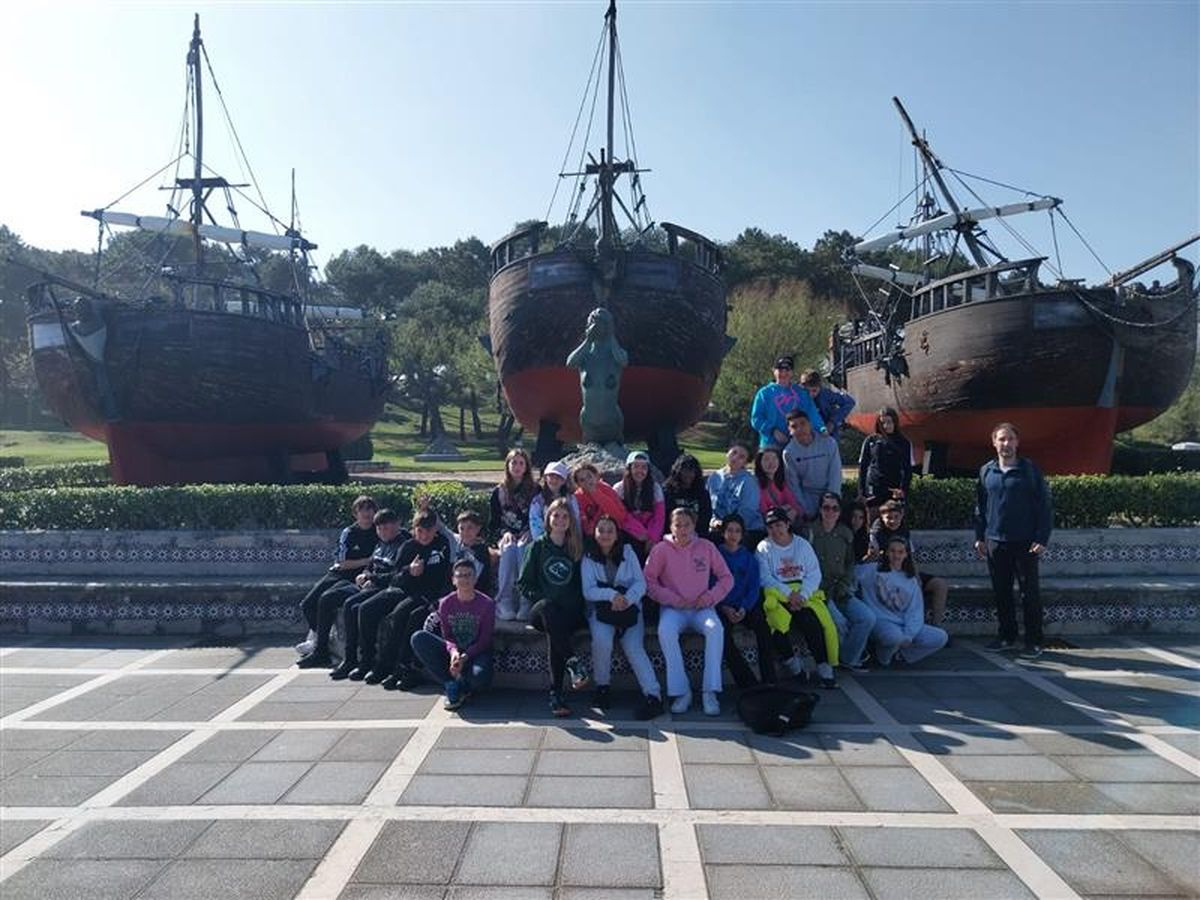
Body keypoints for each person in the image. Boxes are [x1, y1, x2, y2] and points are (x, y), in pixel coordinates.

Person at [644, 507, 734, 716]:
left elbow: (726, 578)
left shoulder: (707, 547)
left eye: (687, 524)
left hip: (702, 608)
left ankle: (709, 692)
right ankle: (681, 692)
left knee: (715, 629)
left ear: (694, 526)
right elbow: (648, 581)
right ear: (671, 527)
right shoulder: (660, 549)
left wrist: (709, 598)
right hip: (673, 609)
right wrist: (672, 599)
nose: (682, 529)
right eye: (678, 524)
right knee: (665, 631)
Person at [974, 422, 1053, 659]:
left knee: (1030, 593)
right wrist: (979, 536)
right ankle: (1006, 636)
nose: (1006, 444)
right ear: (994, 442)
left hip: (1026, 542)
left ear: (1017, 442)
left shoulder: (1029, 470)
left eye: (1010, 439)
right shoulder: (986, 471)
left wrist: (1042, 537)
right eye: (1001, 439)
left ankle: (1034, 640)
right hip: (996, 542)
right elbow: (980, 507)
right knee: (1002, 592)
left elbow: (1044, 506)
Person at [349, 509, 451, 687]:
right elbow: (395, 577)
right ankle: (368, 662)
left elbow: (444, 576)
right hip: (404, 589)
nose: (424, 535)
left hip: (428, 594)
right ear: (414, 530)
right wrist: (409, 571)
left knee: (403, 615)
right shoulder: (409, 546)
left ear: (435, 530)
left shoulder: (441, 544)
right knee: (366, 609)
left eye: (428, 531)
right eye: (420, 531)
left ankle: (403, 668)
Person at [580, 514, 663, 719]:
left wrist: (627, 598)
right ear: (595, 533)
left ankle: (653, 695)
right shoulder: (588, 556)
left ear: (617, 534)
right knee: (602, 641)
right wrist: (611, 595)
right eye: (602, 530)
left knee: (633, 647)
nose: (606, 535)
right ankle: (603, 687)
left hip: (629, 607)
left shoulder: (628, 552)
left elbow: (640, 583)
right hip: (602, 609)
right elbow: (588, 590)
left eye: (610, 531)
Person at [519, 497, 588, 717]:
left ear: (570, 521)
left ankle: (556, 695)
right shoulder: (538, 546)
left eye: (565, 516)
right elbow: (523, 583)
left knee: (556, 630)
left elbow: (581, 584)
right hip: (542, 609)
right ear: (548, 518)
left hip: (570, 612)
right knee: (550, 611)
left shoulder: (576, 547)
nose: (560, 519)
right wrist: (542, 597)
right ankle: (573, 663)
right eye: (555, 515)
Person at [756, 507, 839, 688]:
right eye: (770, 527)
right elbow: (765, 577)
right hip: (778, 595)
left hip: (803, 594)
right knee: (777, 627)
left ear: (787, 524)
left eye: (779, 525)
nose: (775, 530)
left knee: (813, 623)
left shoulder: (802, 545)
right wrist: (788, 595)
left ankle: (824, 668)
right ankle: (796, 669)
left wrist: (802, 595)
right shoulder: (763, 548)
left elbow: (814, 573)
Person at [321, 509, 410, 677]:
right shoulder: (380, 544)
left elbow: (397, 574)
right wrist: (364, 574)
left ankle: (367, 661)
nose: (382, 532)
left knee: (361, 608)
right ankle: (349, 658)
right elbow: (372, 563)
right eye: (379, 528)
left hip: (387, 587)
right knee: (340, 601)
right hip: (369, 584)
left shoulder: (403, 545)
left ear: (397, 525)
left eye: (386, 528)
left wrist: (373, 578)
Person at [296, 495, 378, 658]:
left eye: (369, 509)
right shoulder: (349, 532)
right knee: (307, 604)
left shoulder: (379, 530)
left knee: (326, 600)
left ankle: (320, 646)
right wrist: (365, 560)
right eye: (362, 510)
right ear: (355, 514)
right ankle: (317, 637)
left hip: (357, 578)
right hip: (339, 574)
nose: (366, 513)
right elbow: (342, 563)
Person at [410, 559, 495, 711]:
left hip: (476, 652)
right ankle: (450, 683)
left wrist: (465, 657)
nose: (464, 579)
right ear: (453, 580)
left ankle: (462, 684)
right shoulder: (446, 603)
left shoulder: (487, 604)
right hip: (454, 650)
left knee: (479, 678)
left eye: (468, 575)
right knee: (418, 638)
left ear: (475, 579)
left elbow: (485, 639)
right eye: (460, 575)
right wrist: (454, 653)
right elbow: (447, 635)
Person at [805, 493, 875, 673]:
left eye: (834, 508)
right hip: (819, 592)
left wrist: (844, 585)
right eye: (826, 507)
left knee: (867, 618)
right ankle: (842, 659)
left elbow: (850, 563)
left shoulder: (845, 533)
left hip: (840, 589)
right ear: (820, 510)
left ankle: (847, 658)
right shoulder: (809, 532)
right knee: (840, 622)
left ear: (839, 511)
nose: (830, 512)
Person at [865, 537, 948, 666]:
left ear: (906, 554)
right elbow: (852, 573)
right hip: (882, 622)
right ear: (886, 553)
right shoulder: (871, 570)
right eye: (892, 551)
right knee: (895, 637)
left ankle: (900, 656)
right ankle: (883, 658)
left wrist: (909, 634)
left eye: (900, 552)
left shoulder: (911, 579)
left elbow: (915, 611)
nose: (896, 555)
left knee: (940, 637)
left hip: (903, 624)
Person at [715, 514, 776, 688]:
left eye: (737, 531)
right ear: (723, 532)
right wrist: (723, 606)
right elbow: (711, 584)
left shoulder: (749, 558)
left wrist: (743, 608)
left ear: (742, 535)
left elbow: (753, 587)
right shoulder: (715, 555)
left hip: (744, 607)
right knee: (722, 636)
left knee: (763, 627)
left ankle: (770, 679)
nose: (733, 535)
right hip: (722, 607)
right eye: (729, 530)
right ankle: (747, 683)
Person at [868, 499, 950, 628]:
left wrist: (917, 578)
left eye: (896, 517)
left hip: (906, 571)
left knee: (939, 585)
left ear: (902, 516)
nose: (893, 521)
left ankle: (936, 625)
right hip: (887, 576)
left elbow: (910, 557)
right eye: (889, 518)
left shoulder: (904, 531)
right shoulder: (876, 534)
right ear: (882, 517)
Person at [491, 449, 536, 621]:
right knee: (509, 549)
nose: (517, 467)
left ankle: (525, 601)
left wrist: (530, 530)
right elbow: (494, 522)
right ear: (507, 466)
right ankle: (504, 600)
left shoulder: (535, 490)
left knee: (523, 548)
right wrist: (505, 532)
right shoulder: (499, 492)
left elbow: (538, 516)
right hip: (507, 535)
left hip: (528, 533)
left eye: (521, 463)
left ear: (526, 467)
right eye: (513, 463)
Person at [750, 355, 826, 449]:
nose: (784, 373)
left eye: (787, 370)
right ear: (774, 371)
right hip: (771, 445)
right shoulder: (764, 393)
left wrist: (821, 429)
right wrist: (773, 431)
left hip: (798, 443)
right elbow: (756, 419)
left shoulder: (801, 393)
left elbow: (812, 413)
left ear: (792, 372)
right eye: (780, 370)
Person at [782, 410, 842, 520]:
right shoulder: (788, 452)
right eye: (794, 426)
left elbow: (835, 474)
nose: (800, 429)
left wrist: (831, 502)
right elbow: (793, 484)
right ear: (789, 430)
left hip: (829, 493)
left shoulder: (829, 443)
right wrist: (804, 509)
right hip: (807, 496)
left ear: (810, 424)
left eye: (803, 423)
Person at [857, 407, 913, 514]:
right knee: (873, 521)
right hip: (874, 488)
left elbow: (907, 469)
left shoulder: (903, 442)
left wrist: (903, 490)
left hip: (893, 489)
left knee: (892, 521)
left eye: (889, 422)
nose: (886, 426)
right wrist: (861, 492)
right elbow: (863, 467)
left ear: (895, 422)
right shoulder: (871, 441)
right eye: (883, 423)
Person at [614, 450, 665, 560]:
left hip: (650, 533)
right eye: (636, 466)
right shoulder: (619, 489)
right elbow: (621, 515)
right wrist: (640, 533)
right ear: (629, 468)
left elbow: (659, 516)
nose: (640, 471)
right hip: (629, 532)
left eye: (644, 467)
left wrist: (652, 537)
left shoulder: (655, 488)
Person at [707, 443, 762, 541]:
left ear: (745, 462)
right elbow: (707, 504)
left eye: (741, 457)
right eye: (734, 452)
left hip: (744, 530)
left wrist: (728, 527)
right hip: (717, 527)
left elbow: (748, 511)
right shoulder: (714, 477)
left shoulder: (749, 481)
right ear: (727, 453)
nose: (735, 457)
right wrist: (713, 520)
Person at [444, 510, 493, 597]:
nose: (465, 532)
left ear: (478, 528)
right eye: (461, 528)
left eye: (470, 528)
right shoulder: (456, 542)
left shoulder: (481, 551)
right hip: (454, 592)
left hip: (475, 594)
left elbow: (476, 578)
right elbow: (442, 528)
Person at [572, 462, 628, 538]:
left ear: (596, 476)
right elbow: (585, 527)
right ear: (578, 484)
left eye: (589, 476)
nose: (587, 481)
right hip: (593, 535)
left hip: (615, 531)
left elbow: (620, 515)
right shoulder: (577, 498)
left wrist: (595, 493)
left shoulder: (605, 488)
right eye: (582, 480)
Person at [754, 447, 803, 531]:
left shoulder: (781, 482)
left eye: (774, 458)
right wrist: (784, 509)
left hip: (785, 524)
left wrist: (795, 511)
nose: (771, 463)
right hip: (766, 527)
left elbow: (794, 504)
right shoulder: (755, 484)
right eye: (766, 459)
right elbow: (764, 510)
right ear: (759, 463)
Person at [530, 460, 580, 541]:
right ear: (545, 478)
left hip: (567, 540)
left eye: (558, 477)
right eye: (551, 476)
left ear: (564, 481)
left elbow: (576, 521)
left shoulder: (571, 499)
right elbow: (535, 523)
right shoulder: (537, 501)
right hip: (544, 541)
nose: (554, 480)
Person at [663, 453, 712, 534]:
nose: (688, 474)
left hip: (696, 537)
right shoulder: (668, 492)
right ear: (678, 471)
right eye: (685, 470)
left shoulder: (702, 494)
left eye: (692, 471)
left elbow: (705, 519)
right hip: (672, 536)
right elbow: (664, 519)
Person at [800, 370, 855, 438]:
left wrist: (833, 421)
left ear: (820, 388)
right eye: (807, 391)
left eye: (814, 391)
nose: (810, 395)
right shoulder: (796, 396)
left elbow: (849, 402)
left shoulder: (826, 395)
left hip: (829, 435)